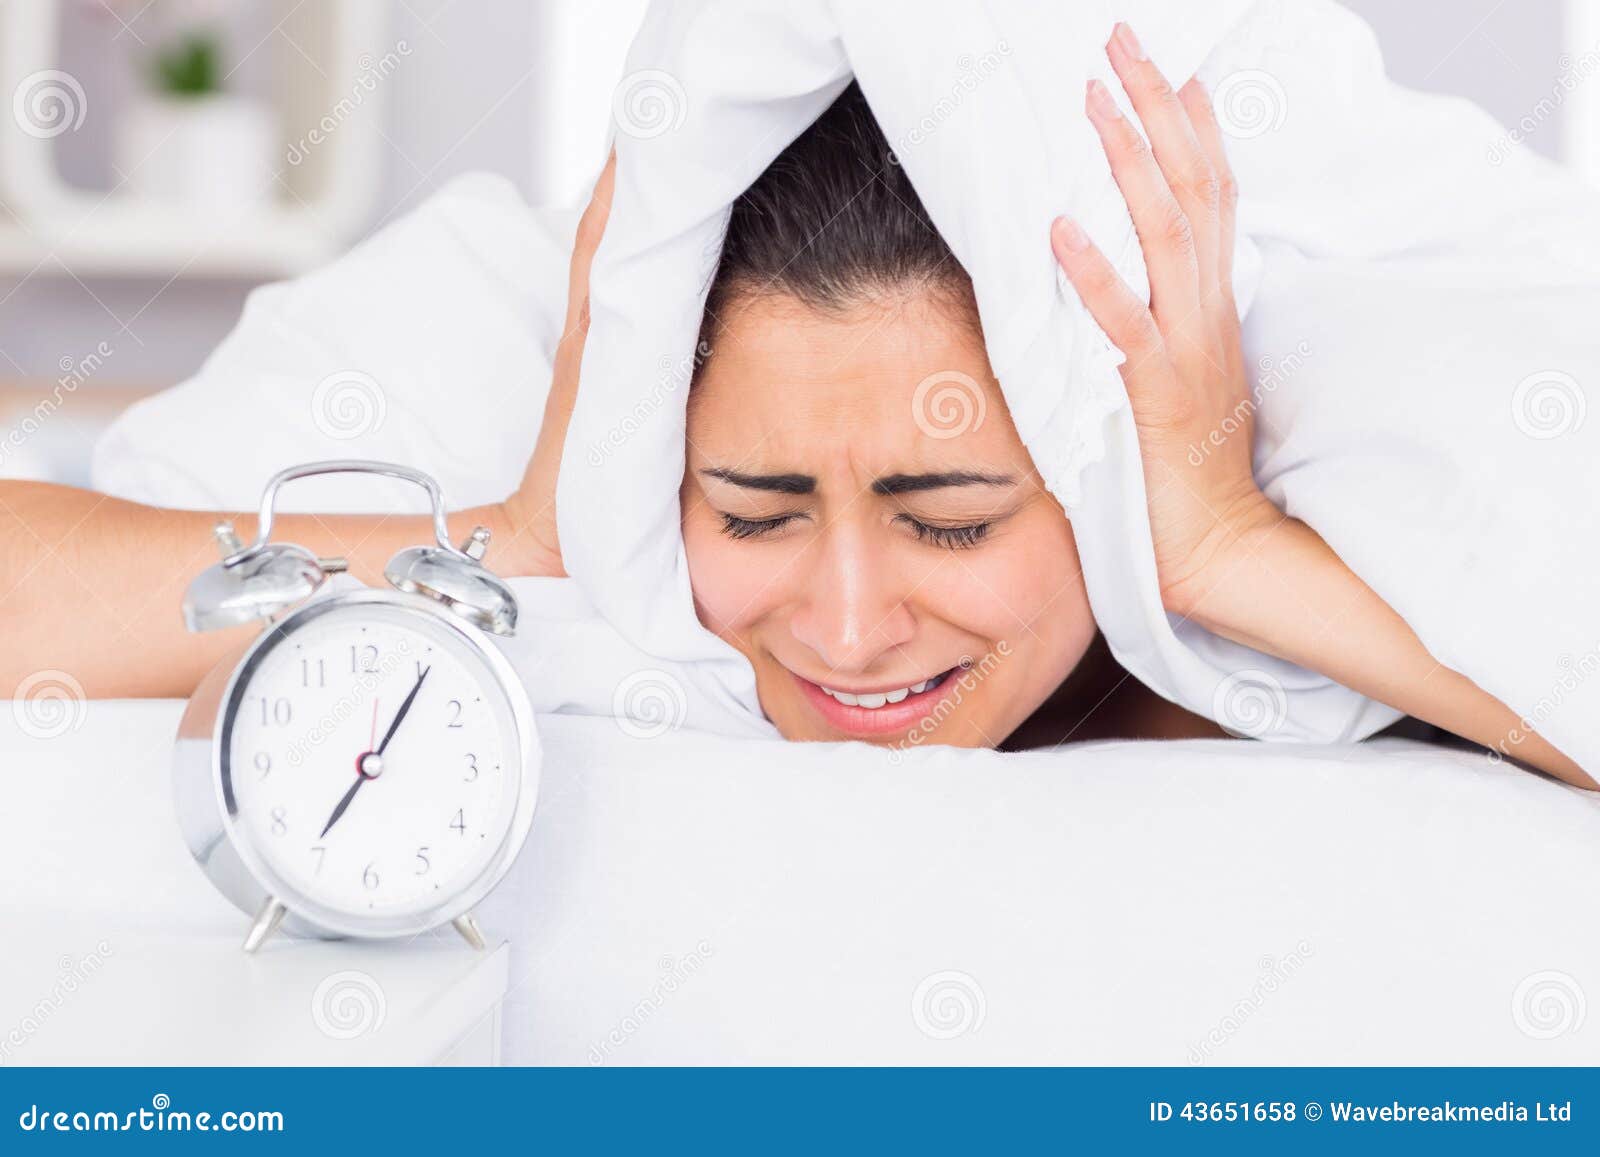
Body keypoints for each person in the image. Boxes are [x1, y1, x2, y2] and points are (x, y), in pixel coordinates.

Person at [0, 25, 1586, 786]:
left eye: (950, 517)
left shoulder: (1216, 498)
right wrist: (522, 537)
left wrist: (1225, 539)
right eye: (750, 510)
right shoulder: (535, 362)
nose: (845, 626)